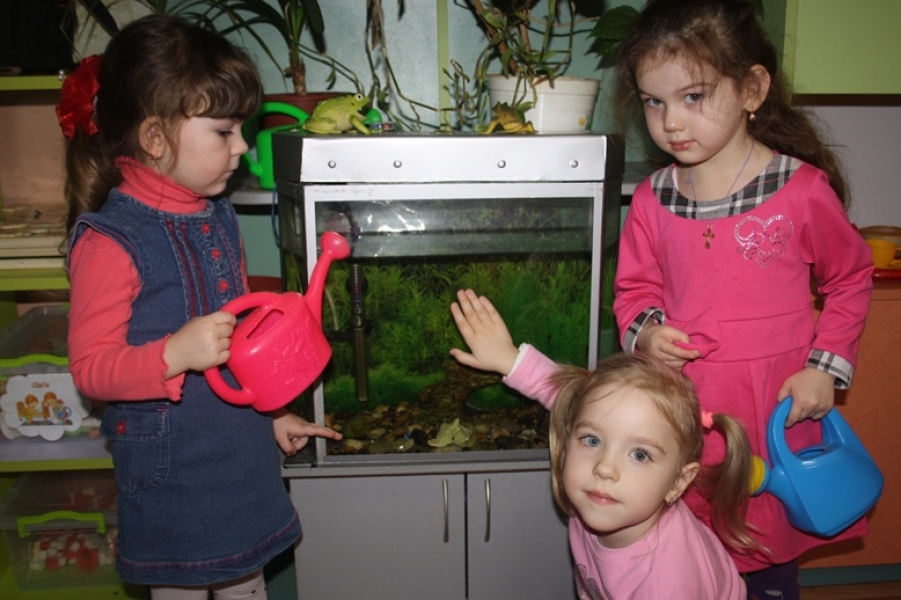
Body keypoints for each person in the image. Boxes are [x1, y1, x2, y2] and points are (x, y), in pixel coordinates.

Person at [60, 15, 342, 599]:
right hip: (170, 476)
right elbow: (91, 370)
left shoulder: (218, 215)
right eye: (224, 131)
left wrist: (271, 414)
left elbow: (238, 347)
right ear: (154, 137)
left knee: (247, 583)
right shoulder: (109, 243)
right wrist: (173, 353)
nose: (242, 147)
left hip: (239, 461)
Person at [611, 0, 873, 597]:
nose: (671, 122)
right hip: (684, 413)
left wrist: (823, 369)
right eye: (654, 102)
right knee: (685, 559)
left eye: (693, 97)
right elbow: (634, 290)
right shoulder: (652, 199)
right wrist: (647, 332)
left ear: (752, 89)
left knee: (766, 555)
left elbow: (851, 279)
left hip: (769, 413)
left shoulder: (801, 191)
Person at [450, 292, 751, 599]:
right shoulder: (609, 499)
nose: (604, 468)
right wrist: (508, 358)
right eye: (593, 440)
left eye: (640, 454)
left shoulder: (665, 585)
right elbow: (568, 397)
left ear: (678, 482)